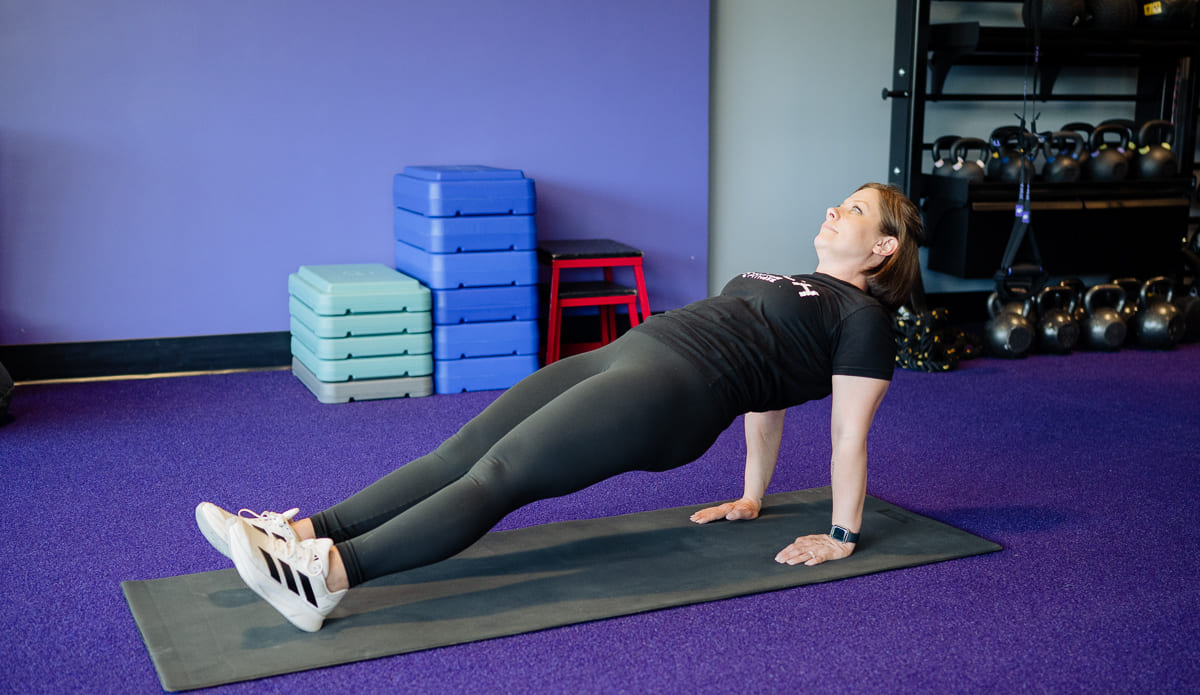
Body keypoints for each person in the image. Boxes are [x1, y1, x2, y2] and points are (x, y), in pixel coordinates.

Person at [197, 182, 923, 632]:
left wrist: (841, 533)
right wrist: (752, 495)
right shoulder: (795, 281)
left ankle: (324, 580)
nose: (835, 209)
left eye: (855, 209)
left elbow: (847, 434)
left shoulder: (863, 322)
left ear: (884, 247)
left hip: (676, 392)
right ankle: (295, 536)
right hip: (635, 350)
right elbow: (770, 403)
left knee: (500, 475)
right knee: (456, 454)